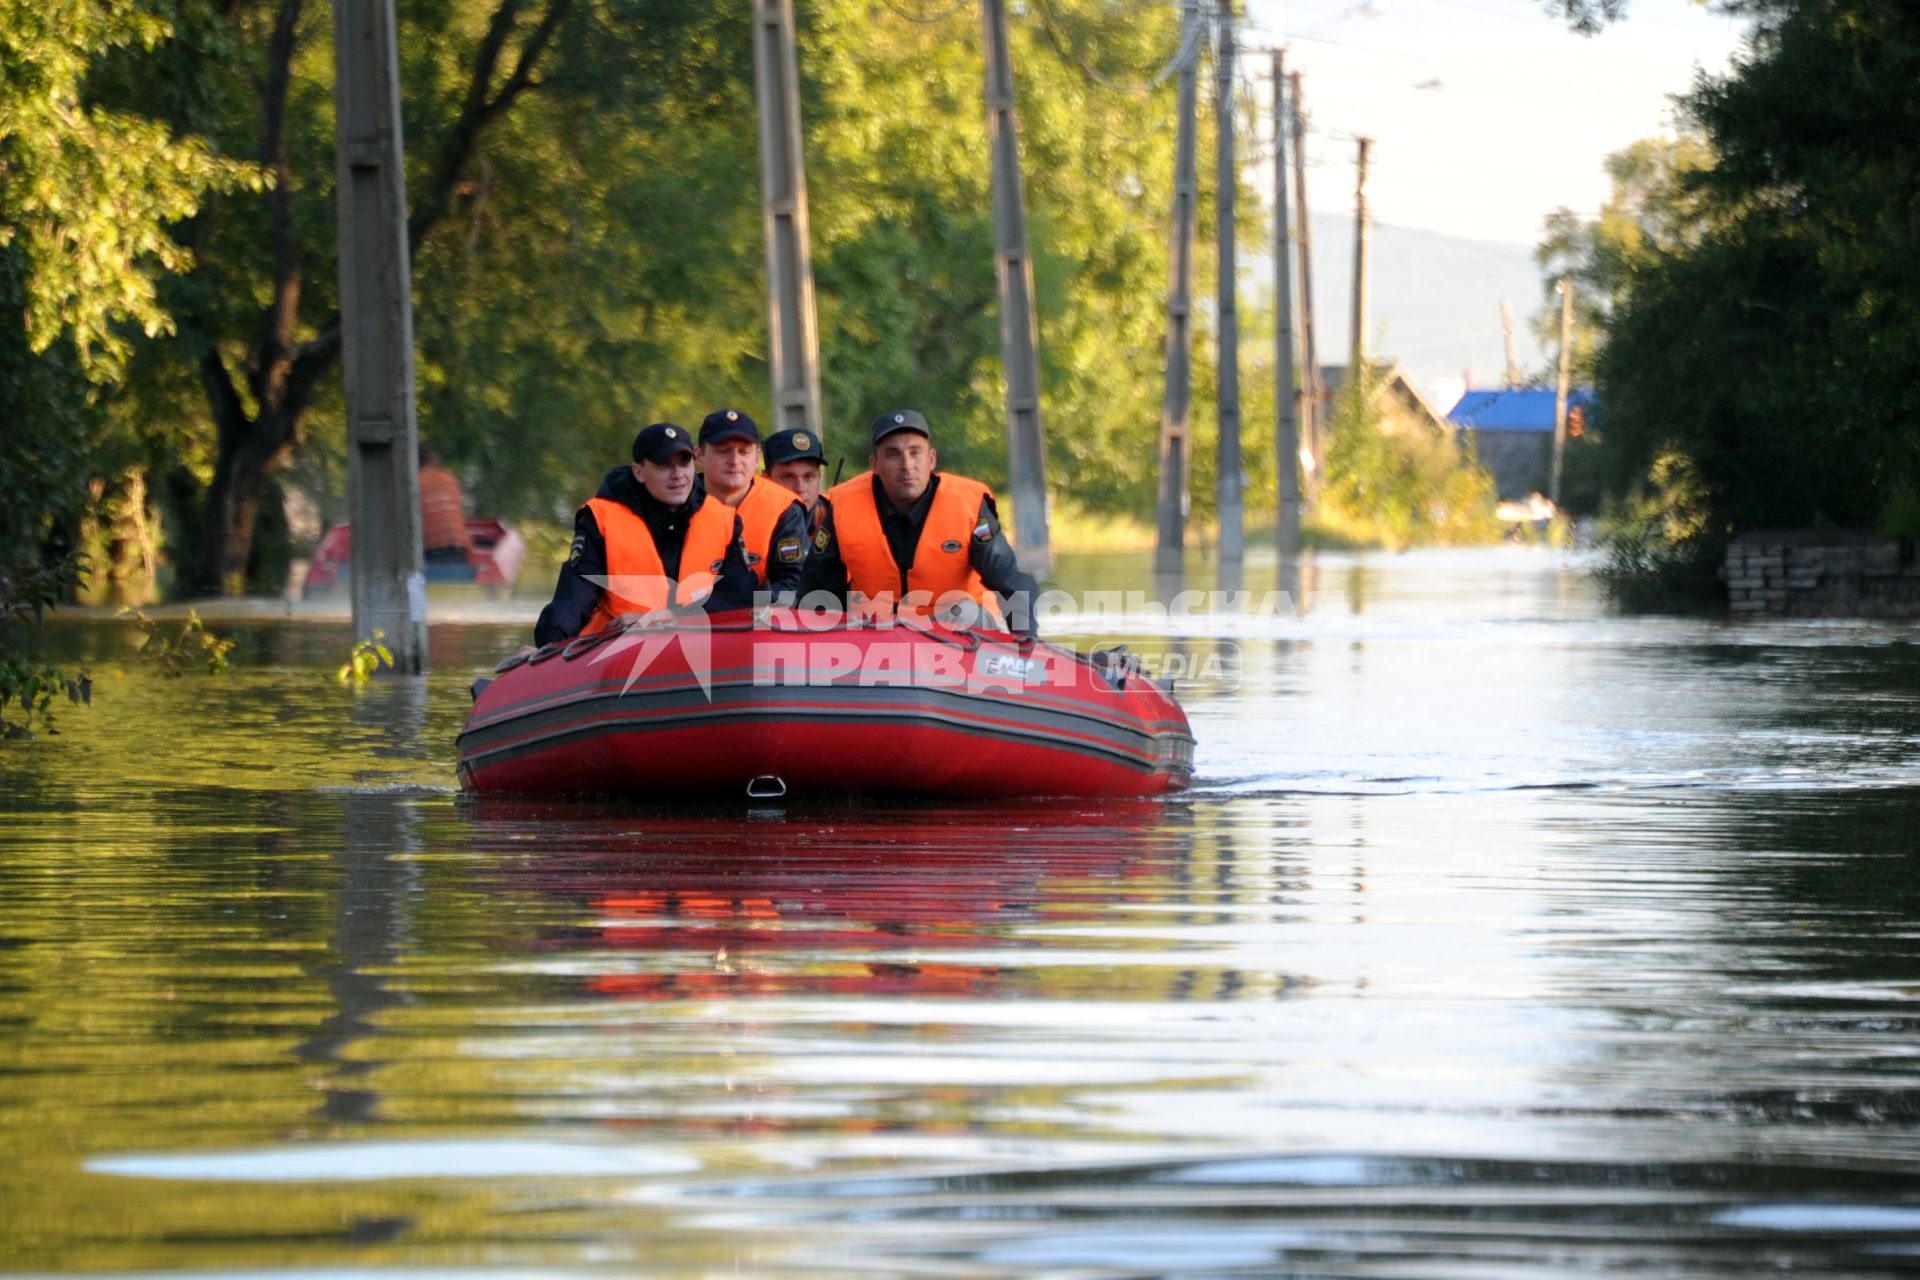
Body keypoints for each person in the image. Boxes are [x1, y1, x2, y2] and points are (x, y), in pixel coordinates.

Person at [805, 409, 1040, 637]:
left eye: (915, 452)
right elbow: (815, 588)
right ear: (875, 464)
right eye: (893, 454)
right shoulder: (845, 505)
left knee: (967, 613)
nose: (907, 465)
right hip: (876, 634)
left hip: (958, 633)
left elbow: (1010, 581)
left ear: (931, 459)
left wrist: (1027, 647)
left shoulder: (967, 504)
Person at [532, 422, 755, 646]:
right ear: (639, 472)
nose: (677, 475)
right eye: (664, 466)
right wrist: (550, 647)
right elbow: (574, 597)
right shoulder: (601, 519)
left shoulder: (724, 520)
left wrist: (668, 619)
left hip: (701, 647)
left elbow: (738, 596)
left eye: (684, 463)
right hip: (616, 653)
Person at [695, 409, 808, 603]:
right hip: (685, 621)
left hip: (757, 623)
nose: (734, 461)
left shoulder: (783, 508)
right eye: (723, 451)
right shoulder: (677, 503)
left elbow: (795, 582)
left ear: (757, 458)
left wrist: (740, 607)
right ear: (699, 456)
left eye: (744, 452)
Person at [417, 446, 473, 563]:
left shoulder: (414, 481)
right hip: (459, 545)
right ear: (434, 461)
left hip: (431, 548)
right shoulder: (449, 478)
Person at [763, 427, 827, 516]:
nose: (800, 488)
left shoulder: (838, 518)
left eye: (808, 476)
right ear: (765, 479)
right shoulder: (744, 522)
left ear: (819, 476)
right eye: (788, 477)